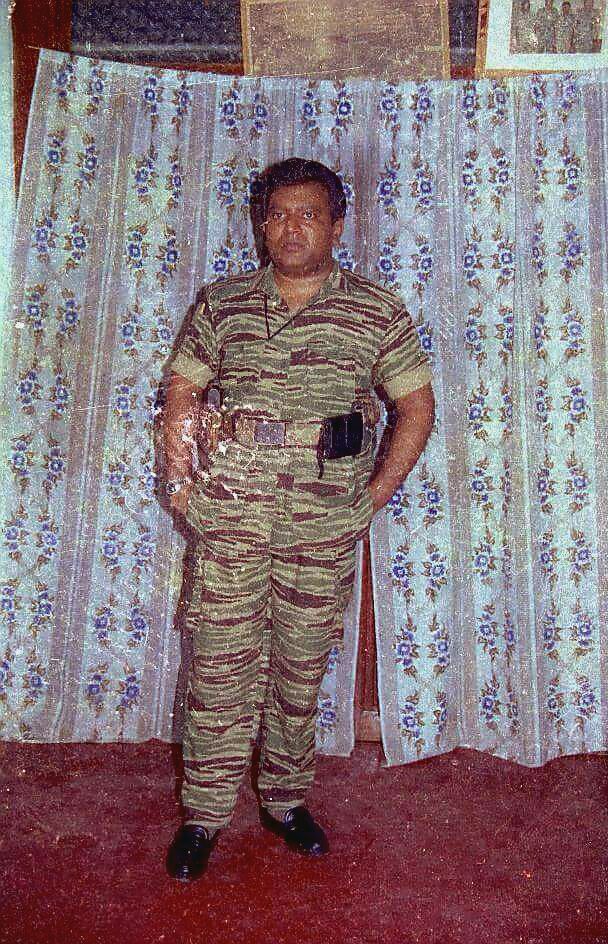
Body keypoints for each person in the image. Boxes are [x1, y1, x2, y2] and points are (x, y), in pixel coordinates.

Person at [161, 157, 435, 881]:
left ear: (336, 226)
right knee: (219, 667)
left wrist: (374, 496)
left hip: (321, 520)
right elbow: (183, 391)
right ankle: (203, 815)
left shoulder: (375, 311)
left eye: (308, 214)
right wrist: (182, 483)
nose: (290, 228)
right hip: (233, 516)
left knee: (299, 669)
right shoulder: (223, 304)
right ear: (262, 224)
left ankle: (284, 802)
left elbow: (416, 407)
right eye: (278, 214)